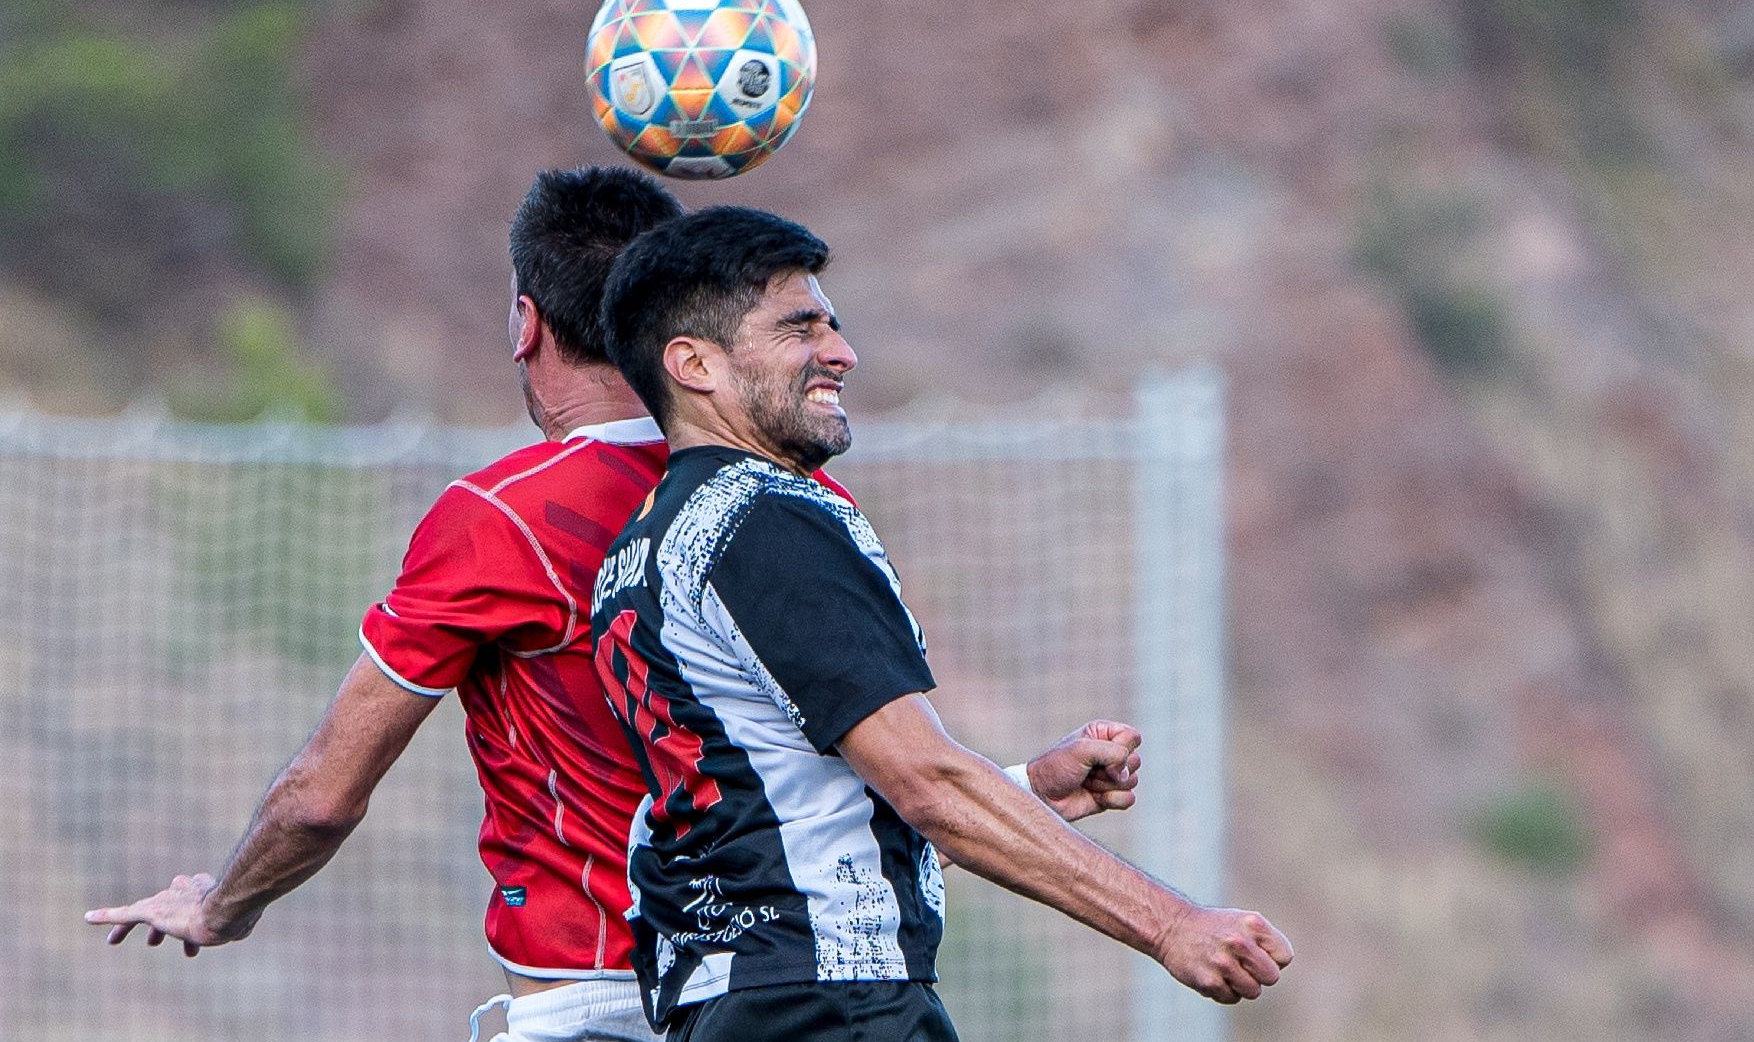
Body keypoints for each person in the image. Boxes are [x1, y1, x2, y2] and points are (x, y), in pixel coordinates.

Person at [83, 169, 1149, 1042]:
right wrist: (1022, 785)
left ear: (523, 322)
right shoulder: (792, 502)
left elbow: (321, 796)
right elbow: (830, 793)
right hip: (763, 993)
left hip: (598, 1004)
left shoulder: (497, 519)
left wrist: (222, 903)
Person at [591, 205, 1294, 1042]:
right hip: (833, 1007)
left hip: (737, 1007)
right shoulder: (763, 520)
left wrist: (1028, 787)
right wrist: (1170, 923)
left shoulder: (639, 551)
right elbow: (926, 780)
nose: (841, 352)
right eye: (799, 327)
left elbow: (781, 817)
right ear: (693, 363)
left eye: (835, 325)